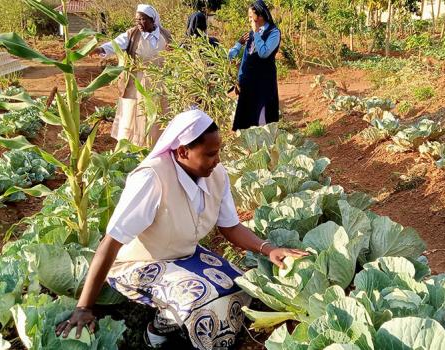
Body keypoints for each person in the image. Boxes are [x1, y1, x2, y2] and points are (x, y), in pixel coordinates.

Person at [55, 109, 308, 349]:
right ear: (183, 152)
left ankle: (182, 324)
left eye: (218, 152)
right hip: (139, 263)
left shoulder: (216, 175)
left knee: (239, 286)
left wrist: (269, 249)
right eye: (209, 154)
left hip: (184, 255)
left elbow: (230, 227)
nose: (216, 160)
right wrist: (84, 307)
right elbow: (111, 242)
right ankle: (156, 333)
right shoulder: (152, 179)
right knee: (206, 300)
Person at [92, 4, 171, 147]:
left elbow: (176, 55)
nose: (139, 23)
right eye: (137, 20)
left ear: (153, 20)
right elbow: (115, 44)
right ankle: (137, 147)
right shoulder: (132, 35)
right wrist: (100, 49)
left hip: (161, 84)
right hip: (138, 84)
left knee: (159, 116)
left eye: (142, 19)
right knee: (138, 117)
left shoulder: (165, 35)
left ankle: (157, 146)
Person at [228, 0, 281, 131]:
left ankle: (265, 147)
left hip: (263, 82)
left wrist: (257, 33)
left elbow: (264, 53)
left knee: (262, 118)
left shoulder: (274, 32)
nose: (249, 20)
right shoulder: (251, 33)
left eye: (251, 17)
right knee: (246, 120)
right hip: (248, 83)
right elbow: (244, 57)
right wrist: (239, 79)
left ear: (261, 16)